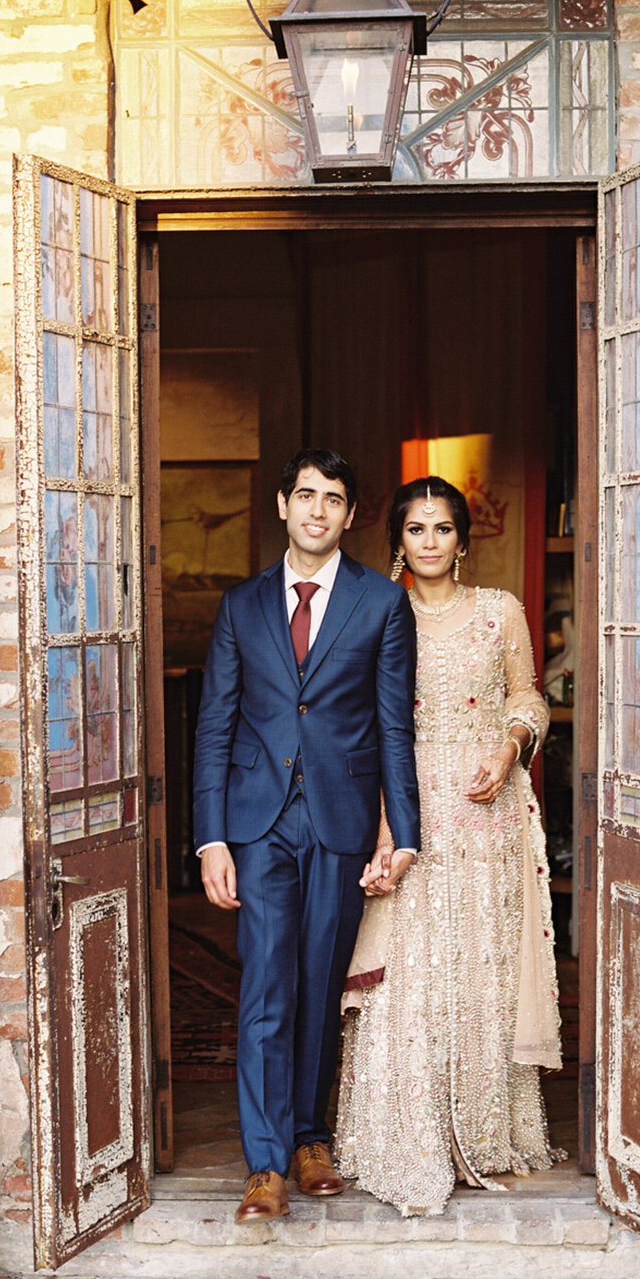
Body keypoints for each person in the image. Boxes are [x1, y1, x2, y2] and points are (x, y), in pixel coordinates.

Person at [192, 449, 420, 1224]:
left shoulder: (381, 605)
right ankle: (264, 1164)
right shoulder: (241, 605)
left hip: (339, 816)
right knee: (265, 985)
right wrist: (209, 837)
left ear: (351, 516)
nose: (318, 510)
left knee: (322, 983)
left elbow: (395, 725)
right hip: (258, 823)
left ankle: (310, 1139)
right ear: (283, 506)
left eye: (334, 499)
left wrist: (405, 832)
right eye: (306, 496)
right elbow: (214, 726)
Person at [334, 477, 563, 1217]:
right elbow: (363, 724)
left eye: (442, 529)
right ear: (396, 543)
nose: (429, 542)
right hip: (407, 801)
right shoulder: (374, 613)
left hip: (486, 803)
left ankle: (486, 1131)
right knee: (410, 968)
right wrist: (382, 825)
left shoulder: (500, 613)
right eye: (415, 530)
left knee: (480, 964)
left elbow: (529, 696)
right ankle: (406, 1134)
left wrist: (510, 748)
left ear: (464, 539)